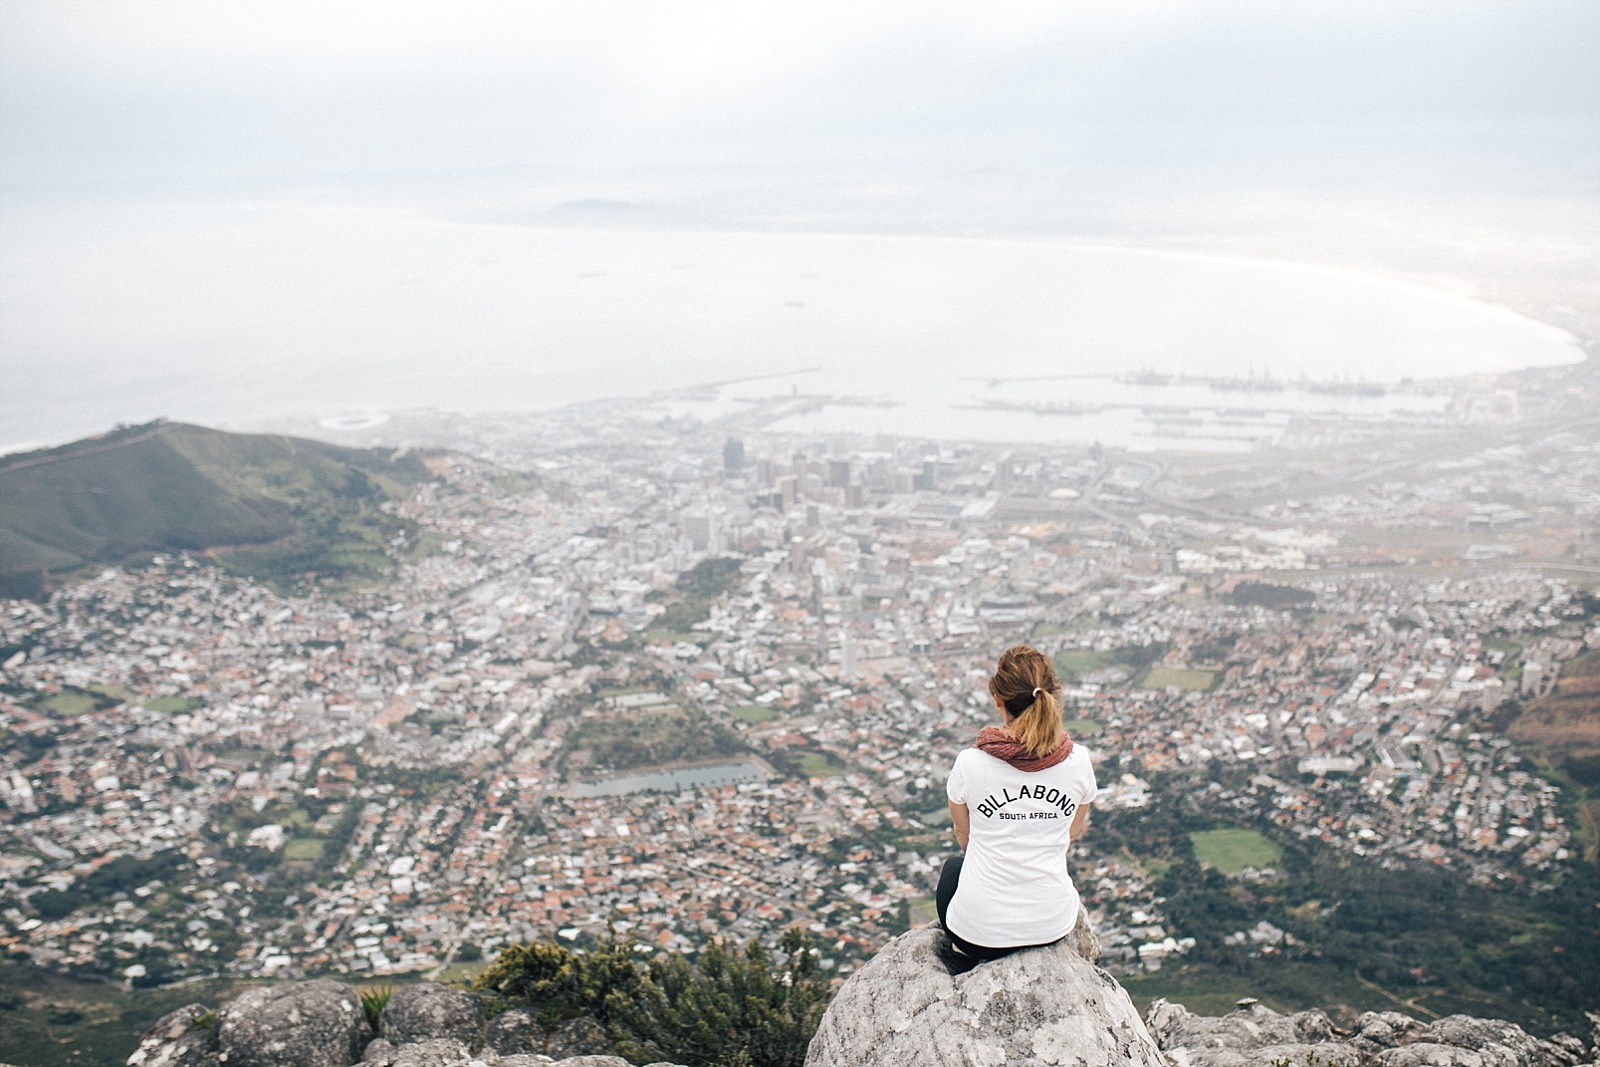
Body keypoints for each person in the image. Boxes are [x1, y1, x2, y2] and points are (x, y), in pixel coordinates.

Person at [937, 644, 1097, 963]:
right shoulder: (1079, 761)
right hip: (1051, 925)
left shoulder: (971, 763)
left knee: (954, 868)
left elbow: (964, 835)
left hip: (976, 935)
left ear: (999, 702)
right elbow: (1070, 833)